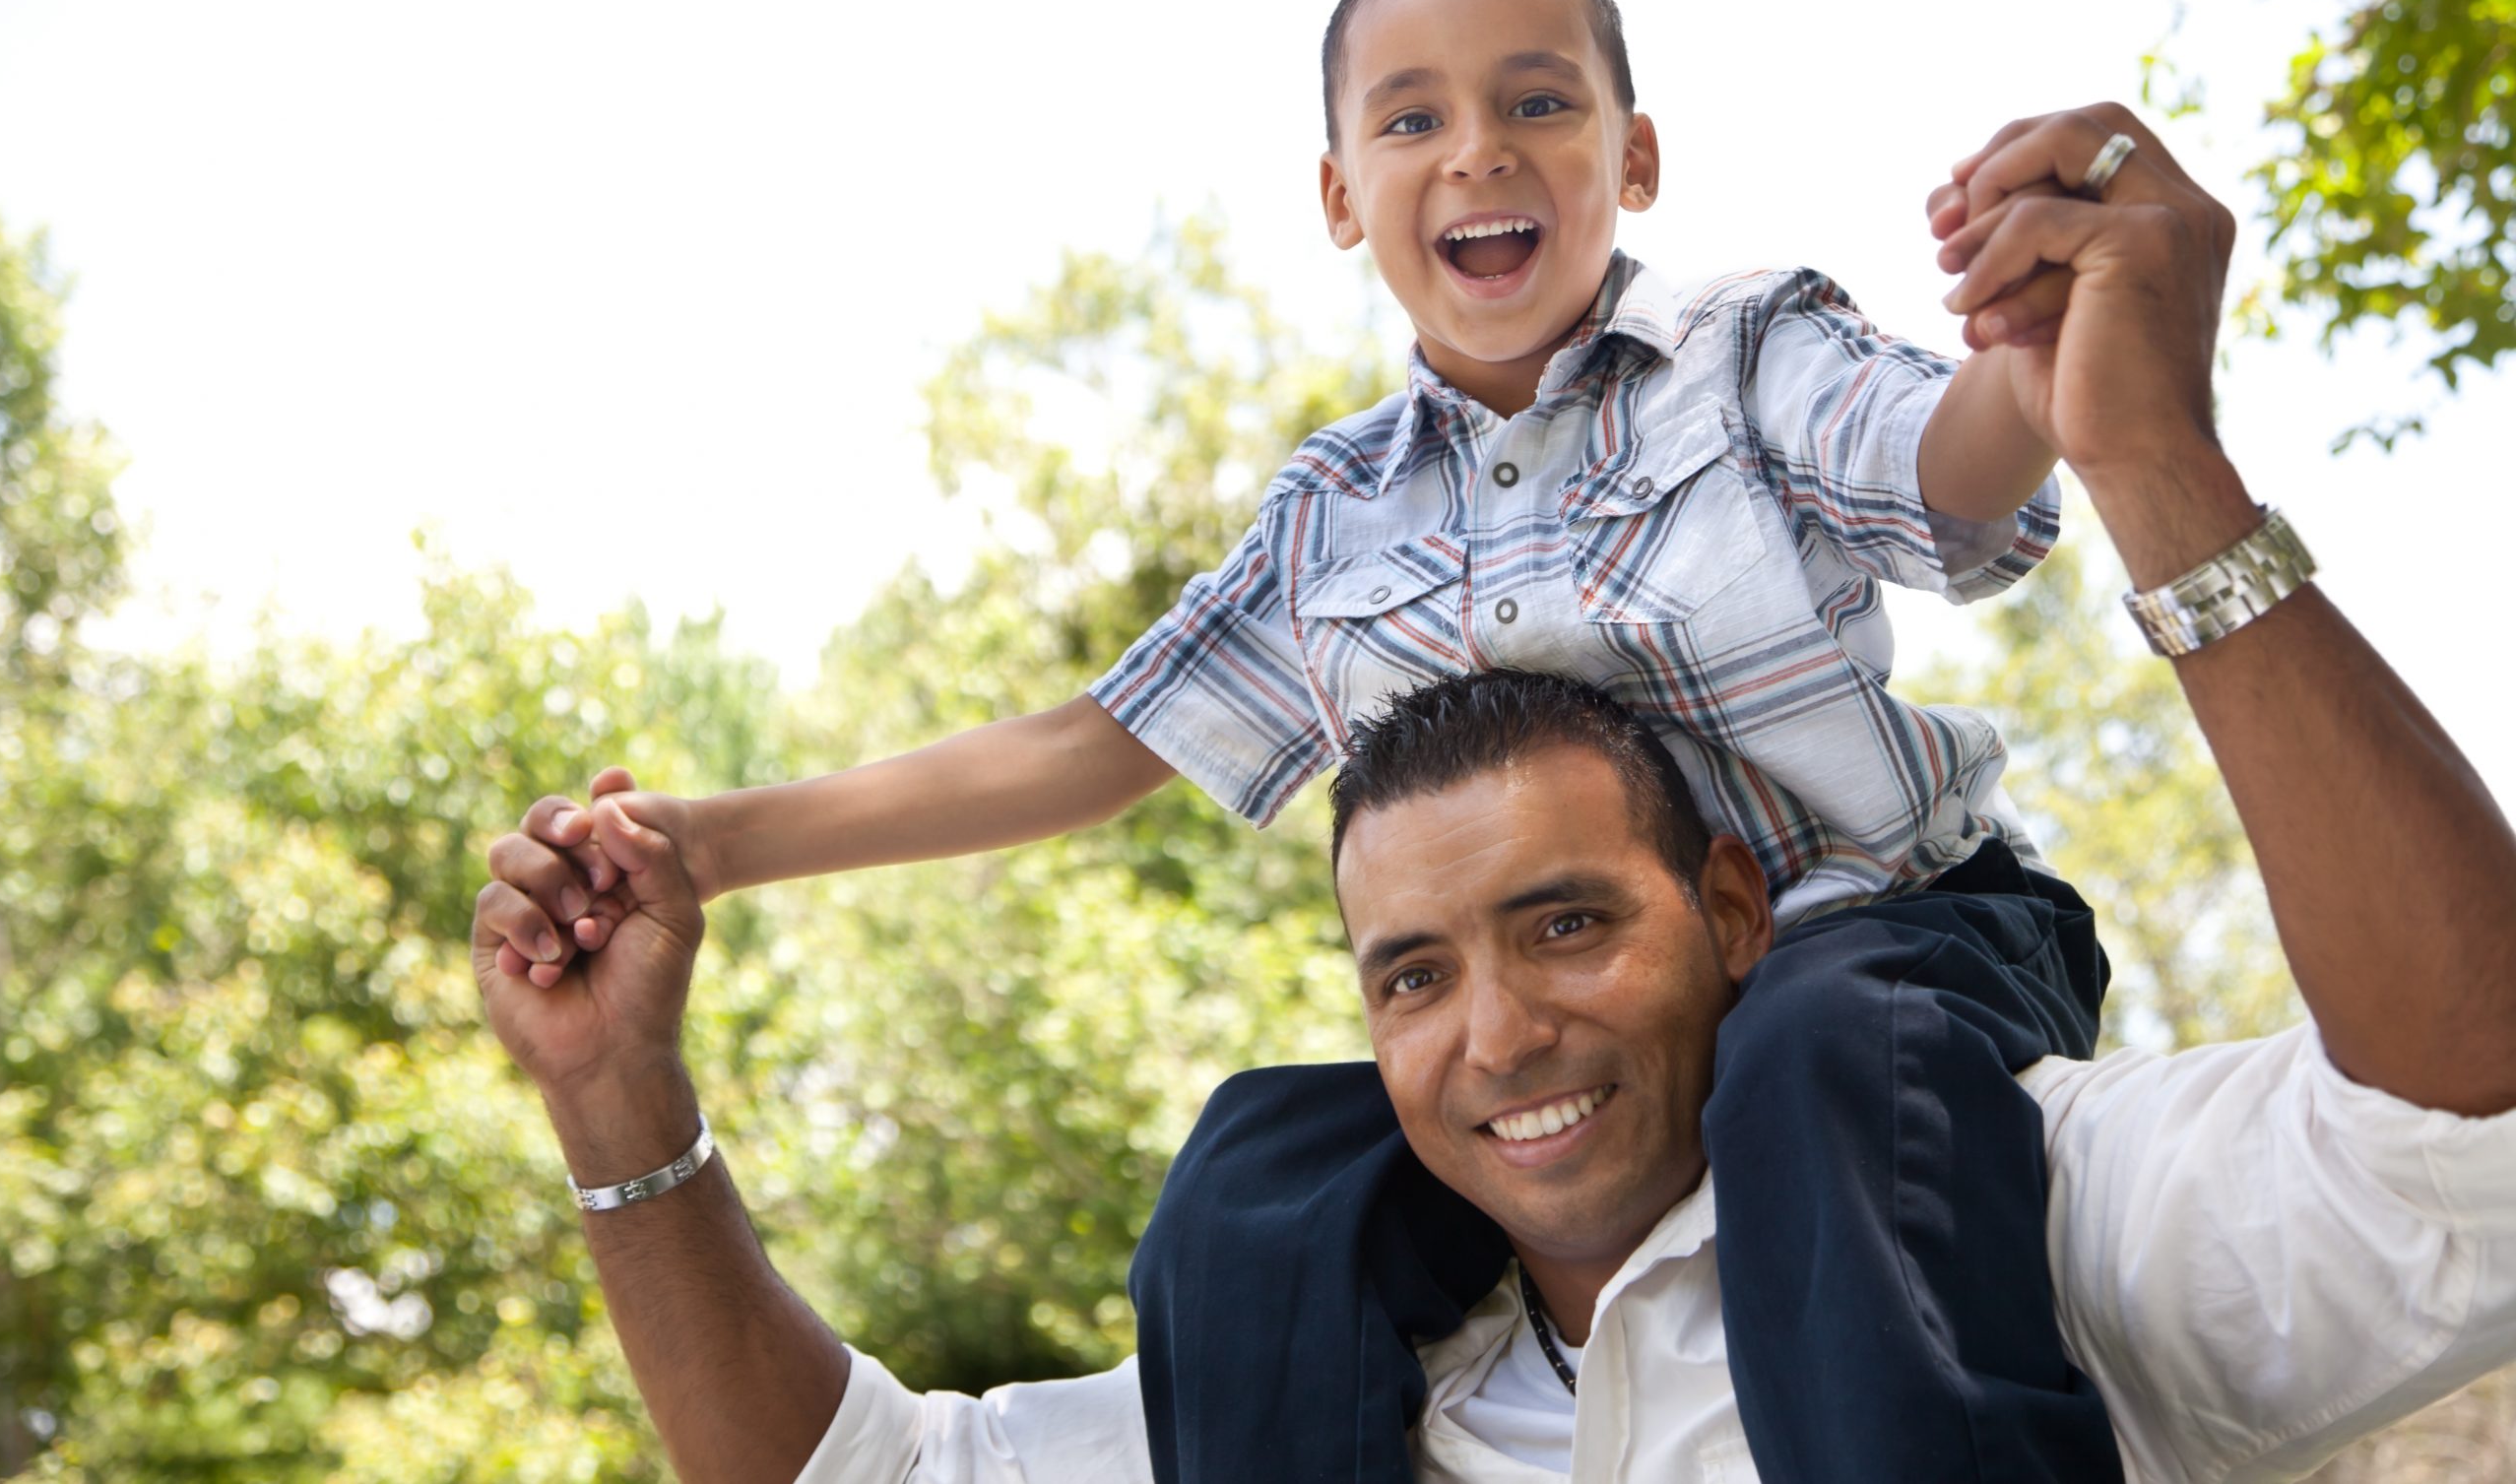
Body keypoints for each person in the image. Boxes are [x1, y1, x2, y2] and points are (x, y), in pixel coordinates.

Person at [473, 102, 2516, 1482]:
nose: (1497, 1021)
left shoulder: (2000, 1192)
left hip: (1886, 976)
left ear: (1628, 154)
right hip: (1678, 1083)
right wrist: (662, 961)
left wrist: (2119, 420)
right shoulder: (1336, 519)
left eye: (1563, 919)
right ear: (1341, 193)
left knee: (1812, 1053)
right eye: (1410, 969)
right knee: (1246, 1170)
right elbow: (1090, 750)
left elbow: (2464, 1140)